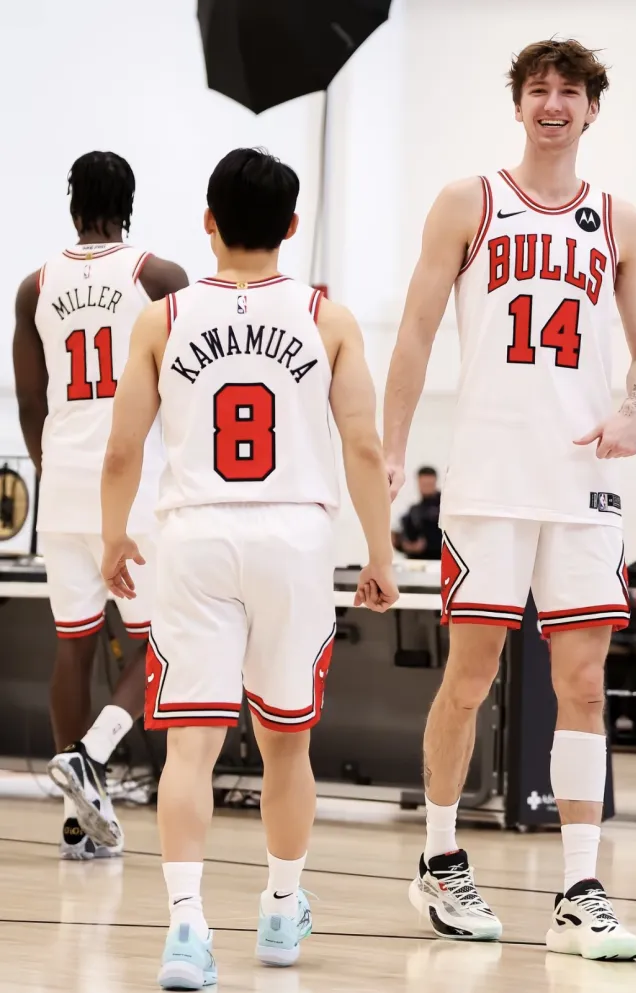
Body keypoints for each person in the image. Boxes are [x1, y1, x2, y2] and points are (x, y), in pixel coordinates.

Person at [383, 40, 636, 961]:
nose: (552, 103)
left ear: (591, 109)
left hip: (583, 485)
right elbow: (416, 329)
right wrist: (392, 448)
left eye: (568, 91)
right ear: (518, 105)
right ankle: (439, 858)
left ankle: (580, 889)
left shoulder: (622, 222)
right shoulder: (469, 201)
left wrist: (634, 409)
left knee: (583, 683)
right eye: (538, 89)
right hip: (492, 479)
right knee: (470, 678)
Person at [99, 148, 398, 989]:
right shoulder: (329, 319)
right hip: (293, 538)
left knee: (190, 746)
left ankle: (186, 928)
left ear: (208, 221)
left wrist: (113, 535)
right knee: (286, 743)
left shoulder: (162, 318)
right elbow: (364, 445)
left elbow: (122, 448)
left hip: (195, 534)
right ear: (292, 226)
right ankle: (279, 906)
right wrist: (379, 553)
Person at [11, 151, 188, 859]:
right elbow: (189, 385)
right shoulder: (159, 277)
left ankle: (76, 821)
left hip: (62, 486)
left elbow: (30, 401)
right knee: (164, 641)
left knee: (73, 643)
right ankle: (93, 752)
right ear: (130, 204)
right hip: (136, 484)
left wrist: (51, 468)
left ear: (72, 203)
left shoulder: (34, 285)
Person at [398, 466, 442, 559]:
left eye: (429, 484)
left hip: (437, 560)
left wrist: (425, 545)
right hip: (418, 560)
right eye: (423, 484)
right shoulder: (414, 510)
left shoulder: (443, 507)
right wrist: (405, 544)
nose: (426, 488)